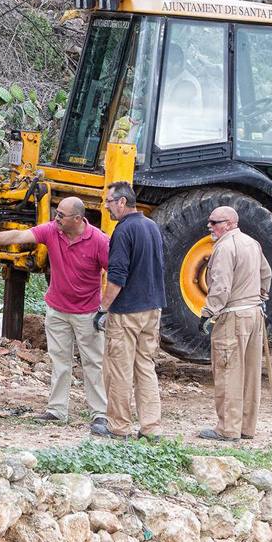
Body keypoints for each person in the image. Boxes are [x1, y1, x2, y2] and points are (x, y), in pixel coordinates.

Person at [0, 197, 111, 435]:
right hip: (57, 310)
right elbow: (16, 237)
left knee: (92, 363)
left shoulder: (98, 241)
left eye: (61, 215)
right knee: (59, 361)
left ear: (77, 218)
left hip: (87, 313)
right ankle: (56, 410)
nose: (56, 218)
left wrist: (106, 308)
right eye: (57, 214)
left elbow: (115, 272)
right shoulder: (52, 231)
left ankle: (100, 415)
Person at [95, 181, 166, 440]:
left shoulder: (123, 231)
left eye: (109, 202)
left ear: (122, 202)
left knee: (119, 370)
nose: (107, 207)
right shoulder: (151, 226)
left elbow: (117, 276)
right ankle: (151, 428)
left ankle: (118, 427)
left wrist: (103, 308)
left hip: (127, 311)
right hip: (152, 308)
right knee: (145, 367)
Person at [198, 206, 271, 442]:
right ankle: (247, 428)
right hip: (254, 315)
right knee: (250, 373)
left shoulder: (225, 247)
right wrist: (260, 297)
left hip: (233, 315)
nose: (210, 225)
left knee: (229, 371)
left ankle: (227, 429)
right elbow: (266, 274)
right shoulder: (252, 243)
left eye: (214, 222)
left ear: (229, 223)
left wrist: (208, 312)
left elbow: (221, 286)